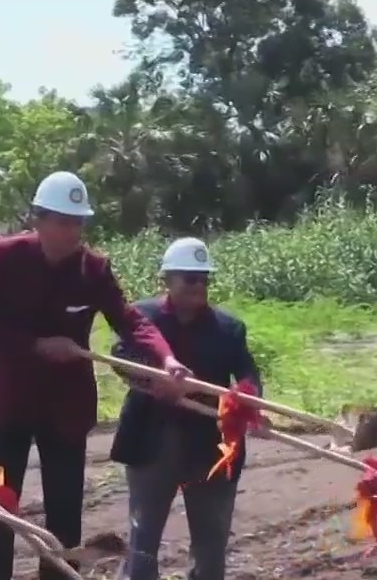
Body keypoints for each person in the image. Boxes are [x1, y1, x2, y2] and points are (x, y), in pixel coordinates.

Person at [0, 171, 190, 580]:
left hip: (65, 410)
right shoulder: (5, 258)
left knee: (65, 512)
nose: (72, 232)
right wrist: (38, 345)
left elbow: (130, 320)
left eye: (78, 222)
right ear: (39, 219)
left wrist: (167, 358)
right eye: (63, 221)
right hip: (6, 407)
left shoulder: (93, 269)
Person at [110, 237, 263, 580]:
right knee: (143, 541)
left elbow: (248, 372)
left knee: (210, 546)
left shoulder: (228, 328)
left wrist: (245, 394)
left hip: (210, 445)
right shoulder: (142, 318)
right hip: (152, 440)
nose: (199, 286)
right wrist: (154, 383)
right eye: (190, 279)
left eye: (204, 279)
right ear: (167, 279)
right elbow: (120, 358)